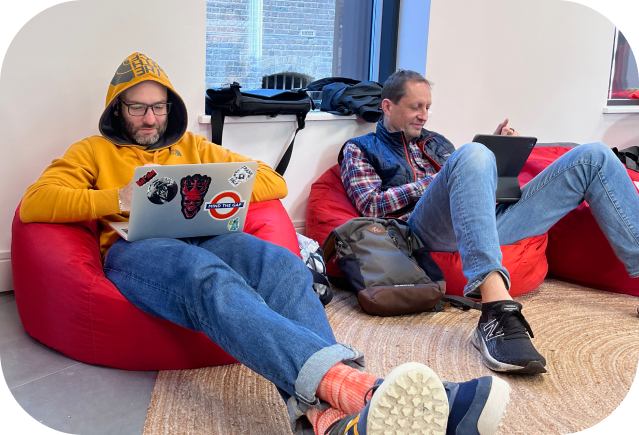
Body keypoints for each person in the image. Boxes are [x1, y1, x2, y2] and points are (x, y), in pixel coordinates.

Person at [20, 53, 512, 435]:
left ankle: (327, 420)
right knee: (208, 279)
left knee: (284, 265)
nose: (150, 118)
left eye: (158, 106)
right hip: (138, 248)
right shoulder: (92, 151)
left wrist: (221, 185)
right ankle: (362, 391)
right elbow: (37, 203)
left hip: (205, 234)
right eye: (137, 107)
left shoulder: (191, 146)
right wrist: (117, 198)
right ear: (118, 109)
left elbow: (272, 183)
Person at [340, 69, 639, 376]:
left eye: (428, 107)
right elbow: (371, 205)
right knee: (473, 152)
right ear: (388, 106)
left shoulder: (436, 142)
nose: (424, 116)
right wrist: (439, 179)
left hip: (480, 223)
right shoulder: (360, 148)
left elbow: (470, 188)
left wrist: (496, 158)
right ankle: (495, 311)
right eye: (416, 107)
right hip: (421, 232)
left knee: (593, 156)